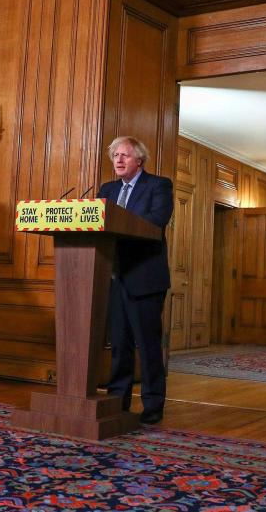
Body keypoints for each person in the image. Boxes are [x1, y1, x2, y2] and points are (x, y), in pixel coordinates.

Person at [97, 136, 174, 424]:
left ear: (139, 159)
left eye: (124, 155)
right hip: (114, 276)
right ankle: (118, 400)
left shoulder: (158, 186)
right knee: (119, 344)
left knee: (148, 345)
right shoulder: (107, 189)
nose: (118, 160)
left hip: (145, 278)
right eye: (115, 155)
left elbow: (156, 220)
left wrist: (122, 222)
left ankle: (153, 405)